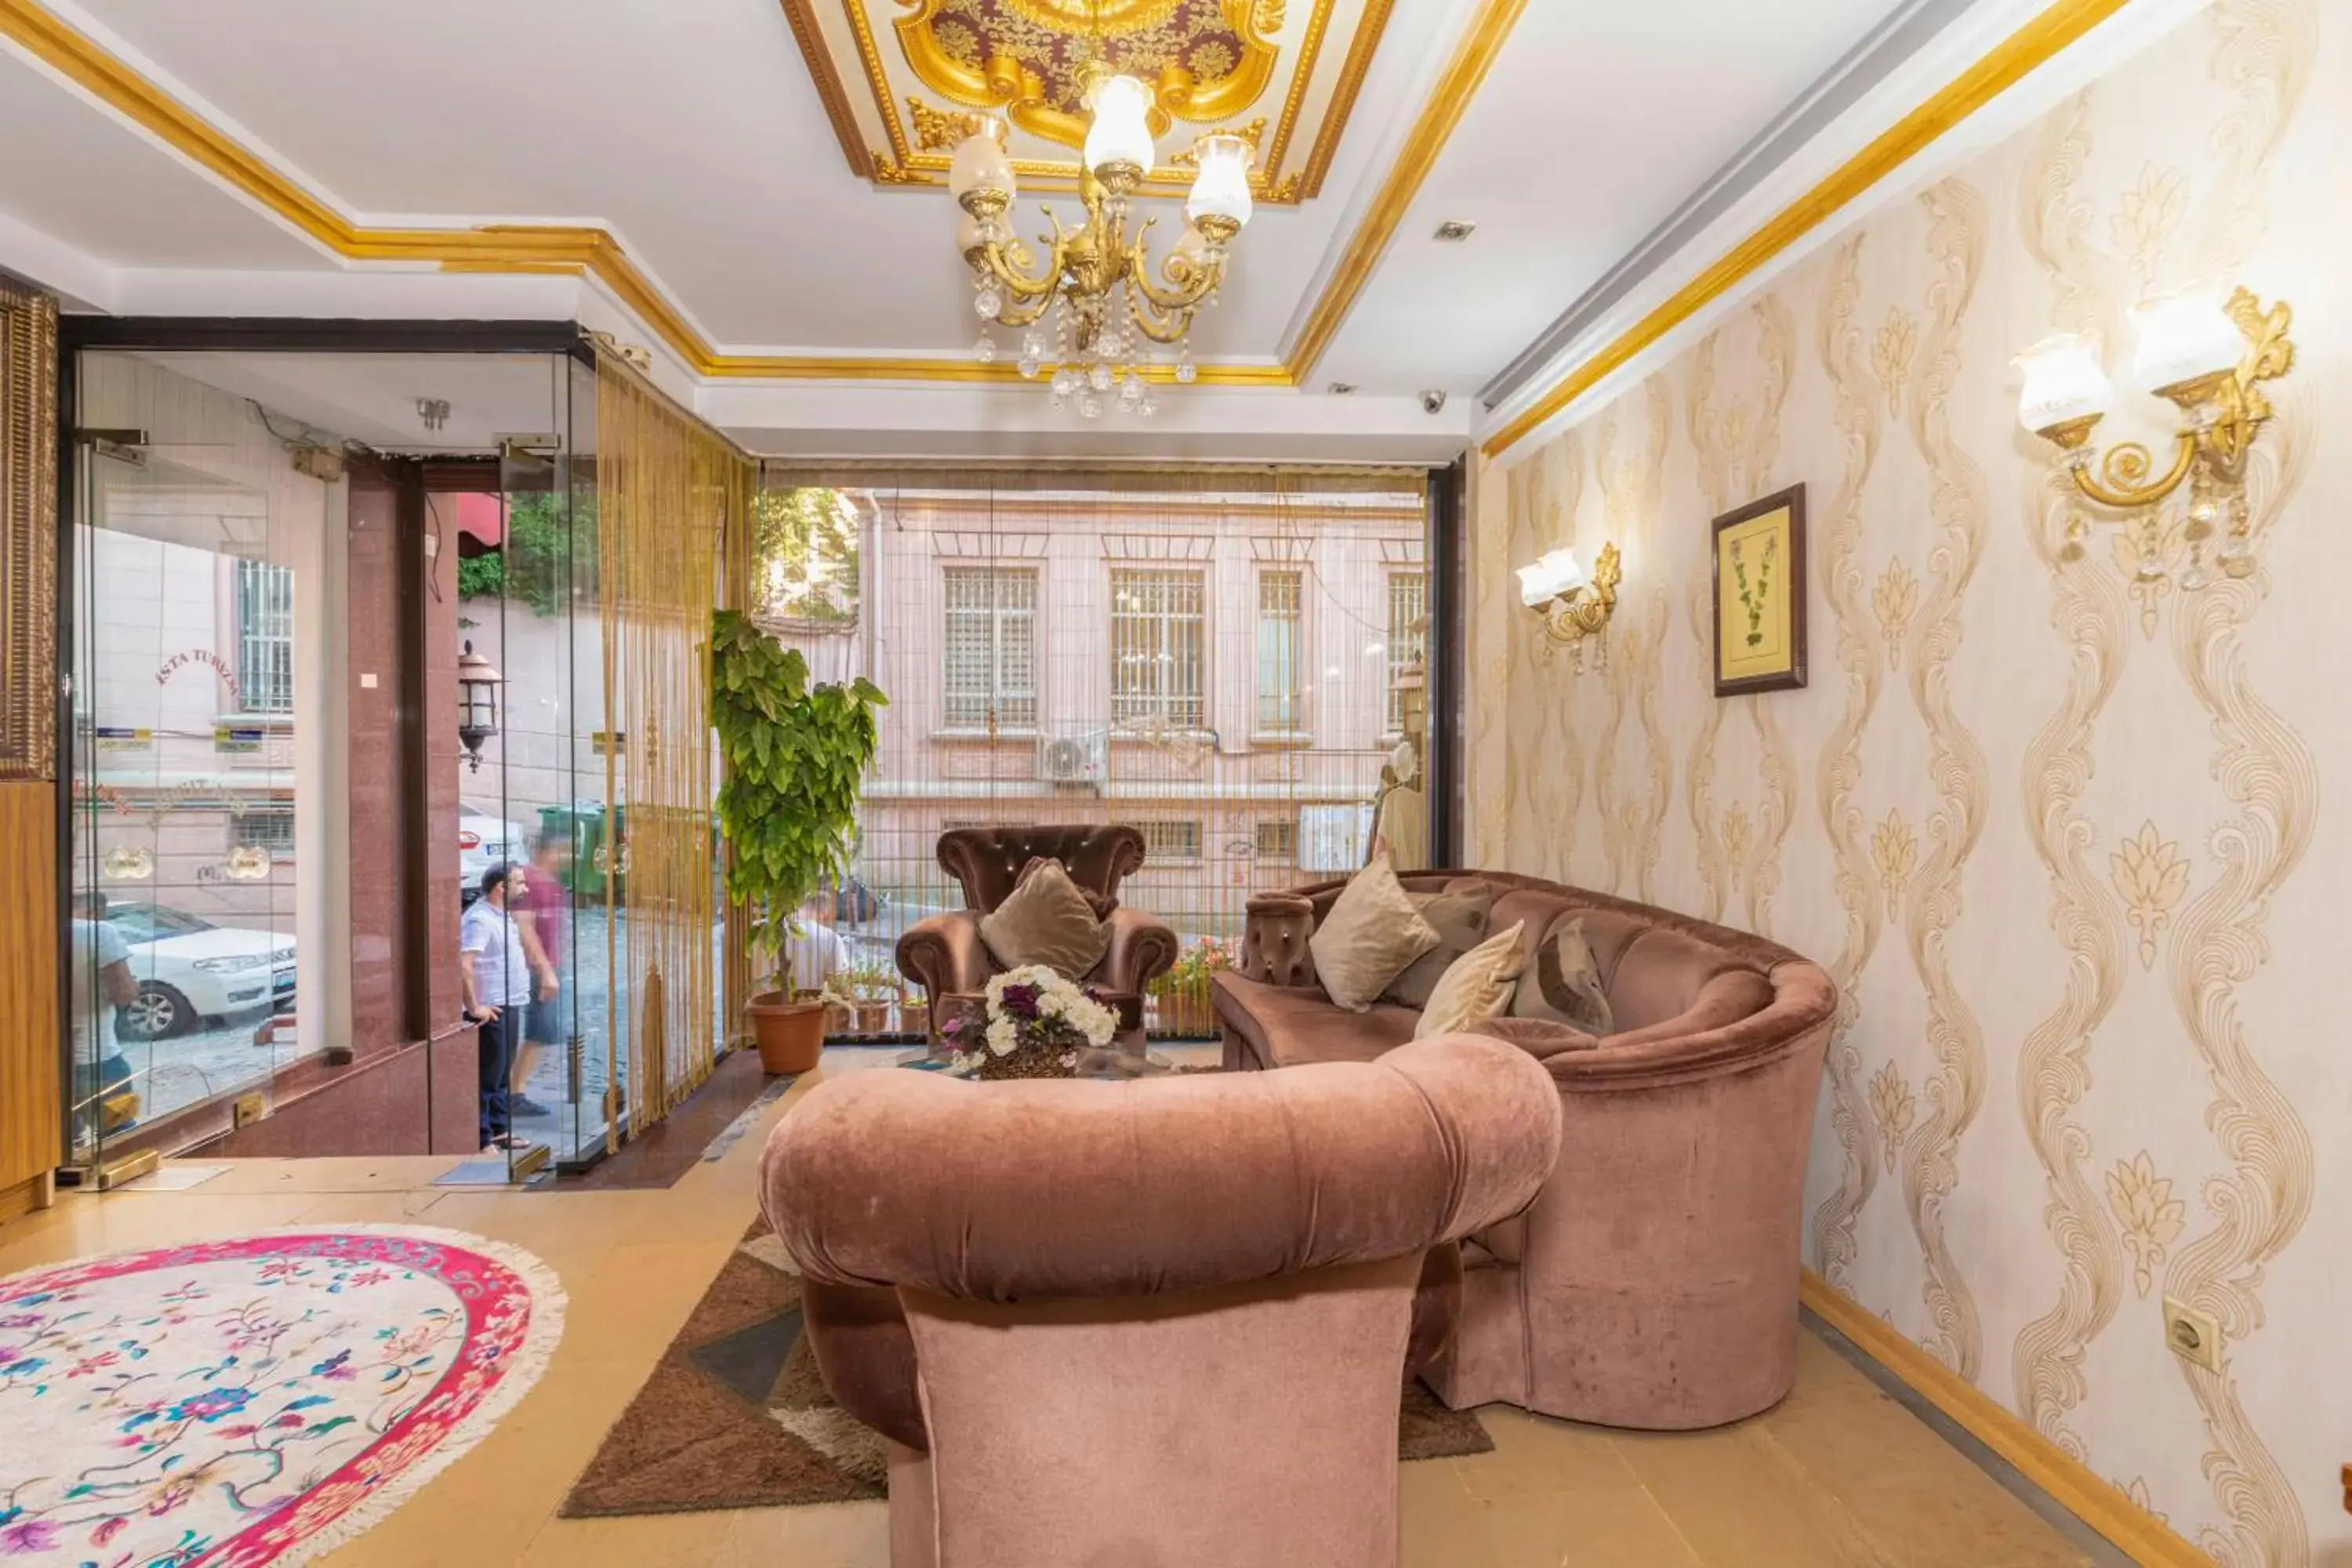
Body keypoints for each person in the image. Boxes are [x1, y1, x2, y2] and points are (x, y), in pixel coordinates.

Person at [459, 862, 534, 1151]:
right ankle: (481, 1138)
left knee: (503, 1073)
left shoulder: (501, 916)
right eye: (520, 883)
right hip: (493, 1007)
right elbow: (464, 964)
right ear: (502, 888)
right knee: (489, 1077)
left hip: (510, 1002)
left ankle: (500, 1129)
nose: (524, 889)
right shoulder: (479, 919)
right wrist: (475, 1006)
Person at [67, 889, 139, 1148]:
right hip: (97, 1060)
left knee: (65, 1149)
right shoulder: (99, 932)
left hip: (42, 1067)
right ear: (92, 913)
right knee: (121, 1144)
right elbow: (124, 993)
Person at [507, 833, 569, 1120]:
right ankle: (513, 1093)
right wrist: (545, 971)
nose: (566, 857)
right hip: (534, 968)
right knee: (540, 1030)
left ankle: (511, 1090)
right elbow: (524, 928)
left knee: (543, 1031)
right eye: (561, 851)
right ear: (543, 851)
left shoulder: (552, 884)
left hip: (547, 966)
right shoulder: (528, 882)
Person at [784, 884, 848, 994]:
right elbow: (838, 987)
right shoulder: (831, 939)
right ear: (824, 914)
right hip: (809, 1007)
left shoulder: (763, 931)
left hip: (758, 1008)